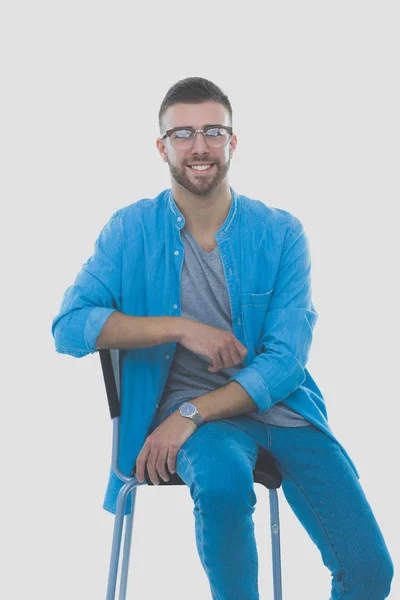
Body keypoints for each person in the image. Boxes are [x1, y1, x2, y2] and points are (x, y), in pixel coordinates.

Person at [51, 77, 394, 599]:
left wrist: (190, 415)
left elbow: (285, 364)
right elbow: (69, 328)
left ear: (233, 142)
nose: (200, 146)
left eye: (213, 131)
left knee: (370, 572)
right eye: (183, 133)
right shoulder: (130, 230)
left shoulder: (281, 233)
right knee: (223, 486)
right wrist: (183, 328)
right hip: (192, 419)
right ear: (162, 146)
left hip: (279, 410)